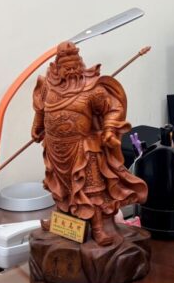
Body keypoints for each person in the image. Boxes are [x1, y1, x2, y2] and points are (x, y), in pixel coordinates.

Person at [31, 42, 147, 246]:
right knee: (61, 188)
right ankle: (60, 222)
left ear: (81, 64)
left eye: (74, 66)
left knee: (91, 189)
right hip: (55, 148)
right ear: (57, 67)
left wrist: (109, 130)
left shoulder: (92, 89)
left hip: (83, 148)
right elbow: (41, 108)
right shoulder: (48, 86)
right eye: (66, 67)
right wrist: (37, 125)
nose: (71, 71)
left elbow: (112, 108)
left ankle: (98, 228)